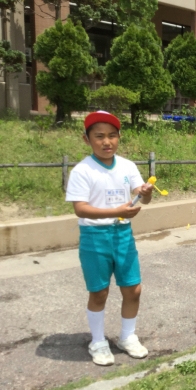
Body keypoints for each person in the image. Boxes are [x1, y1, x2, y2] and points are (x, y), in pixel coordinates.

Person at [65, 111, 153, 366]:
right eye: (99, 136)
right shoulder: (83, 170)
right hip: (94, 237)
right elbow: (80, 209)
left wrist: (145, 192)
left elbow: (141, 196)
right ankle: (98, 341)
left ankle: (127, 337)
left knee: (133, 289)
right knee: (99, 292)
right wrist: (118, 211)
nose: (107, 142)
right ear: (87, 139)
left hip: (123, 234)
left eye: (112, 136)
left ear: (119, 138)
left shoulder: (127, 166)